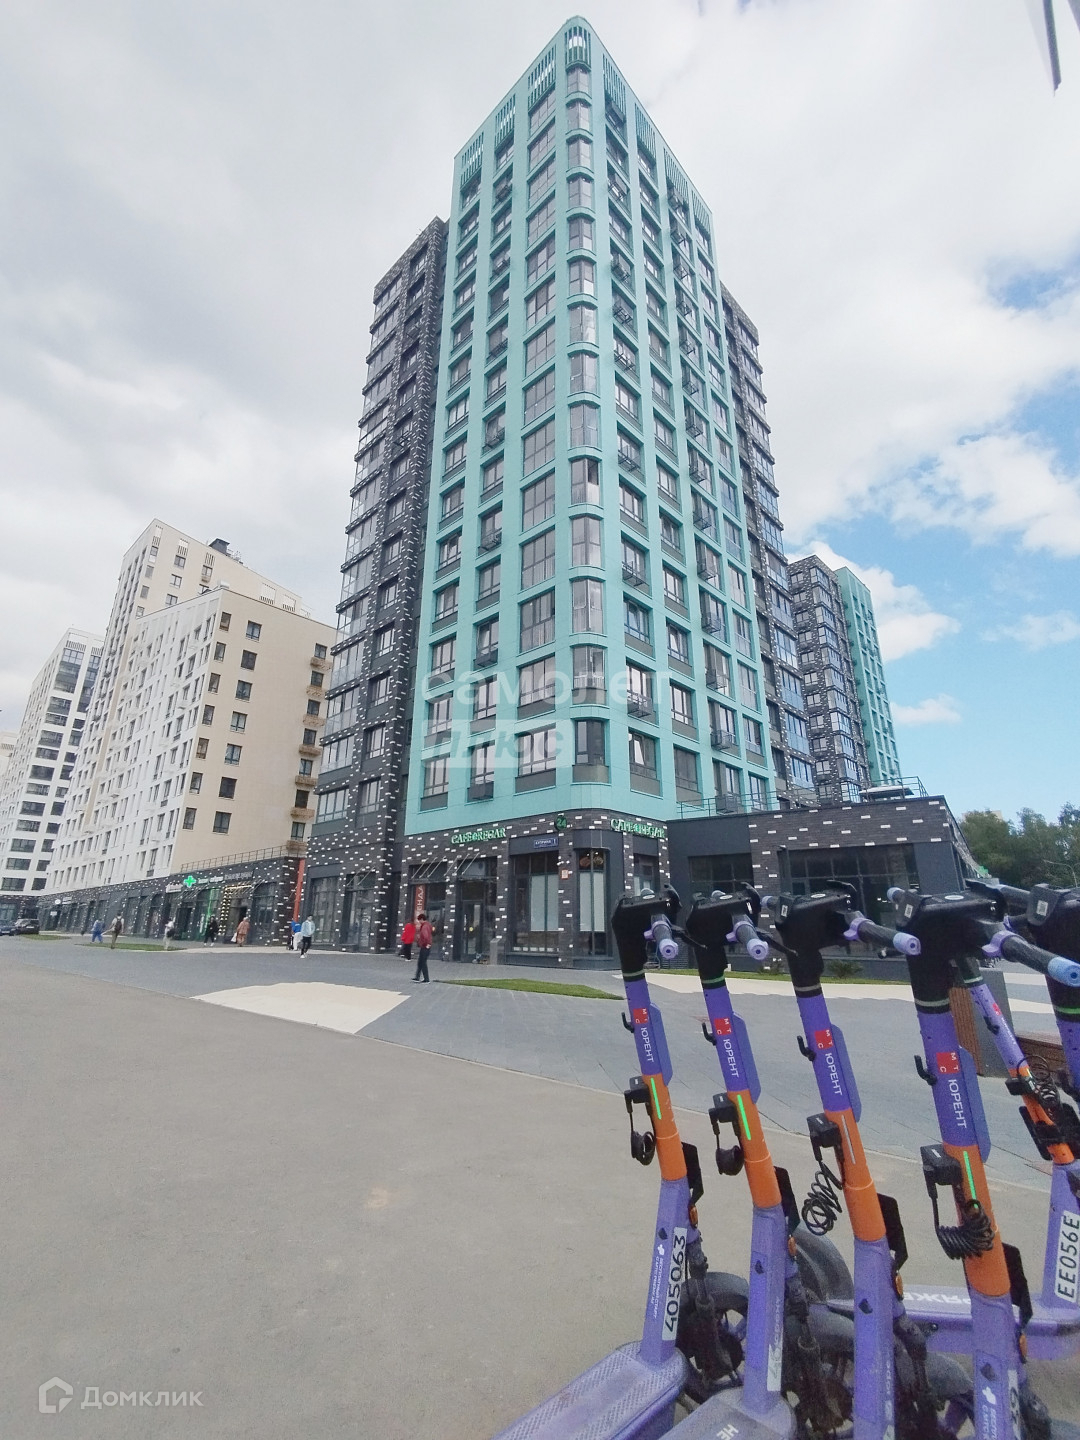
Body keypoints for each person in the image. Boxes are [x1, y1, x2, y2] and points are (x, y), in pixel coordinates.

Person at [413, 913, 433, 984]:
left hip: (425, 946)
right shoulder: (428, 925)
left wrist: (426, 943)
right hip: (425, 946)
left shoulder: (424, 927)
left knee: (422, 962)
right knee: (421, 962)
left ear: (422, 919)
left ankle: (426, 979)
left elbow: (426, 936)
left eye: (419, 920)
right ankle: (417, 977)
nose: (419, 922)